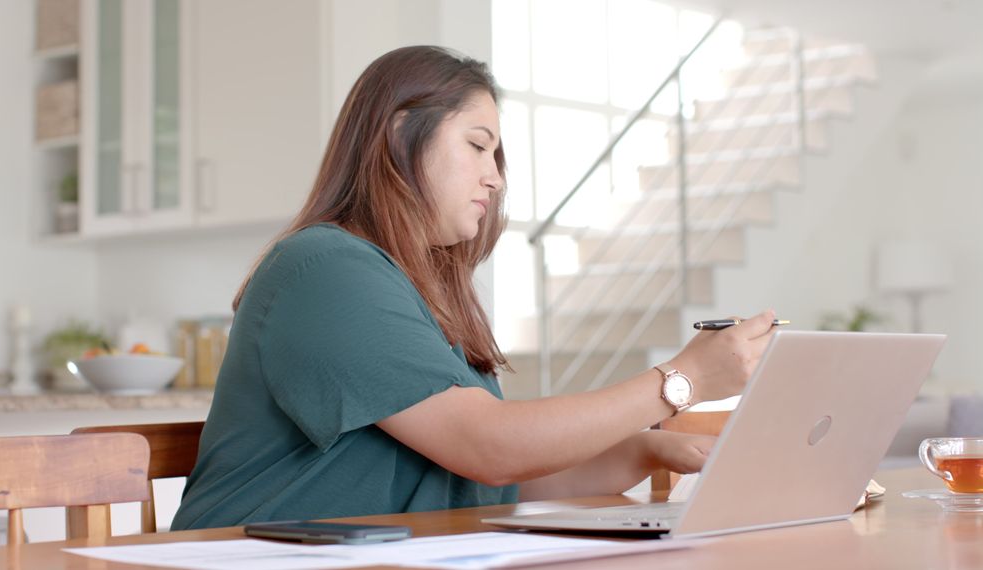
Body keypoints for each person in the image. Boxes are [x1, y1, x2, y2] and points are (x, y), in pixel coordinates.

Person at [170, 45, 776, 530]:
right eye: (478, 146)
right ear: (399, 135)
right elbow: (489, 447)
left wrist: (646, 453)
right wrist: (683, 381)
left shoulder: (412, 287)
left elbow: (488, 483)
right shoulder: (323, 267)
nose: (494, 177)